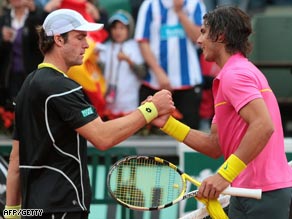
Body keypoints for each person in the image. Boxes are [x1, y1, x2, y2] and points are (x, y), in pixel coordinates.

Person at [5, 8, 175, 219]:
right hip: (63, 207)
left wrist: (11, 212)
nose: (87, 44)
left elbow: (15, 159)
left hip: (35, 210)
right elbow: (103, 137)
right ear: (58, 39)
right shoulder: (61, 87)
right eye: (80, 37)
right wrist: (151, 109)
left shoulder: (28, 85)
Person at [153, 6, 292, 219]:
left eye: (203, 32)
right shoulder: (233, 74)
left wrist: (223, 176)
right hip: (248, 193)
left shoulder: (235, 75)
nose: (199, 40)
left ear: (220, 36)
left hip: (262, 194)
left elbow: (263, 126)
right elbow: (215, 145)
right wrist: (168, 124)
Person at [134, 0, 206, 130]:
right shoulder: (149, 5)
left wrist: (180, 13)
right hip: (155, 83)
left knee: (189, 135)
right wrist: (158, 72)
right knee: (153, 137)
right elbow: (142, 41)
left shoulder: (195, 5)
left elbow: (200, 38)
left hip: (188, 83)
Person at [97, 9, 147, 120]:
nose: (117, 31)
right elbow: (99, 71)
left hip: (129, 103)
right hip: (108, 103)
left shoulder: (135, 47)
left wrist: (128, 60)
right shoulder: (105, 47)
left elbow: (142, 73)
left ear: (129, 29)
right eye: (114, 28)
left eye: (122, 28)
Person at [0, 0, 47, 109]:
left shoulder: (36, 15)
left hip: (33, 73)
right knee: (13, 109)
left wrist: (34, 12)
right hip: (10, 76)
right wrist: (2, 40)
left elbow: (43, 40)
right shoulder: (4, 19)